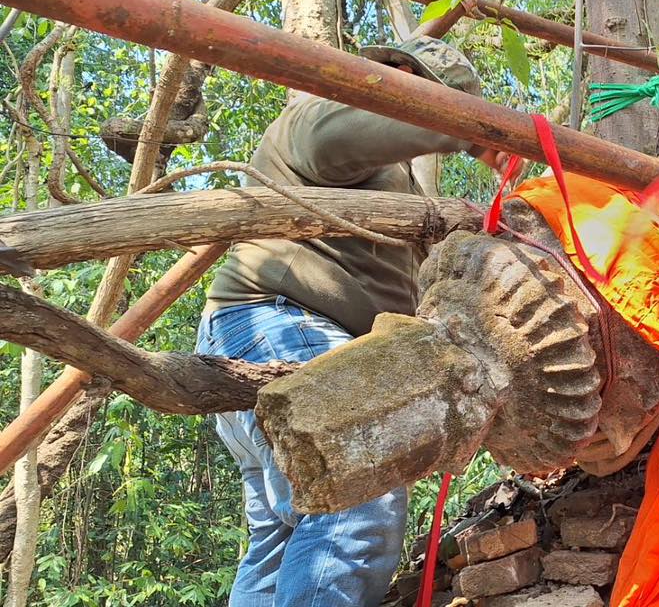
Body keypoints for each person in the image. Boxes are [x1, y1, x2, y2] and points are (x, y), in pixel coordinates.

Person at [196, 36, 483, 607]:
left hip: (261, 334)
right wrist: (481, 130)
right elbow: (347, 133)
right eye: (444, 99)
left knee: (279, 540)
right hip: (282, 325)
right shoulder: (316, 117)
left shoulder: (386, 176)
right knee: (358, 497)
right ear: (399, 75)